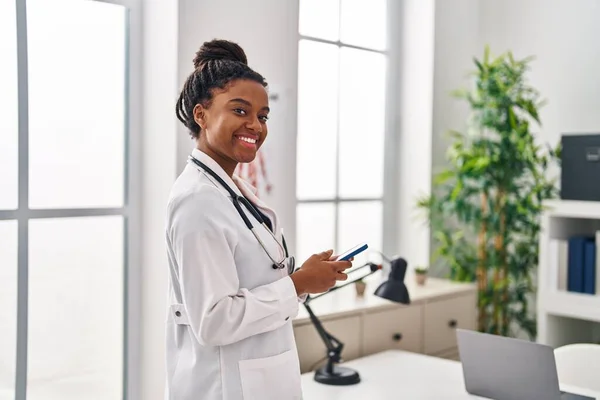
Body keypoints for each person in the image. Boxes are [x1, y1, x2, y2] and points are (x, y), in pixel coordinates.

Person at [165, 39, 353, 400]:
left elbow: (254, 283)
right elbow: (214, 320)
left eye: (262, 116)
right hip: (224, 387)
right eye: (240, 111)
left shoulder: (231, 192)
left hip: (257, 379)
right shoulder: (197, 201)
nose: (255, 125)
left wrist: (301, 277)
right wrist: (297, 284)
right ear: (201, 115)